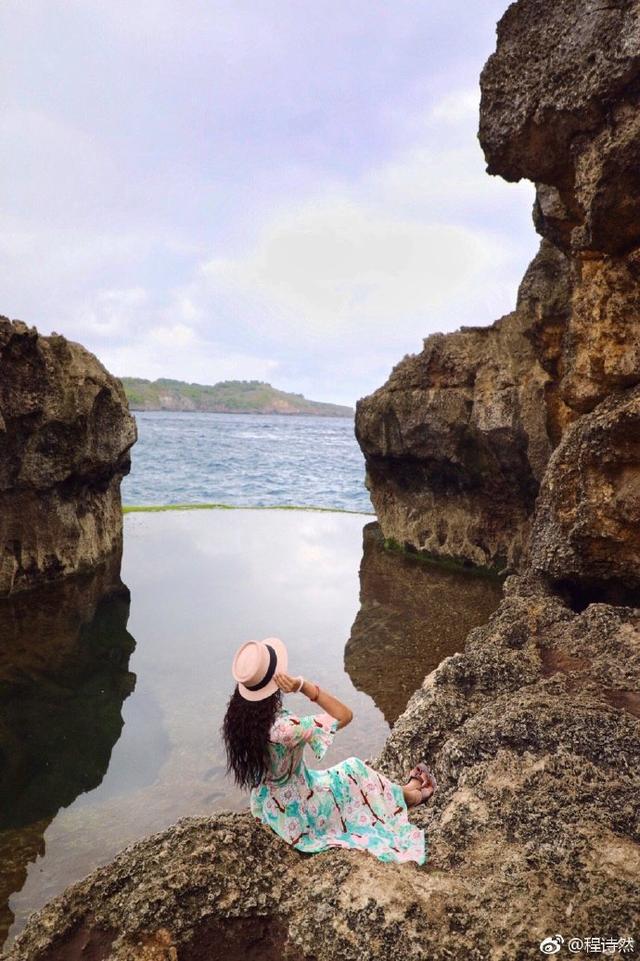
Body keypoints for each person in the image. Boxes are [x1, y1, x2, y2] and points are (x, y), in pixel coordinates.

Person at [221, 636, 437, 865]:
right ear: (277, 679)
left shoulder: (239, 719)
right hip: (299, 811)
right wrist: (302, 686)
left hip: (267, 805)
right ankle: (412, 796)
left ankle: (402, 791)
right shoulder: (286, 729)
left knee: (345, 778)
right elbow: (344, 715)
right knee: (353, 769)